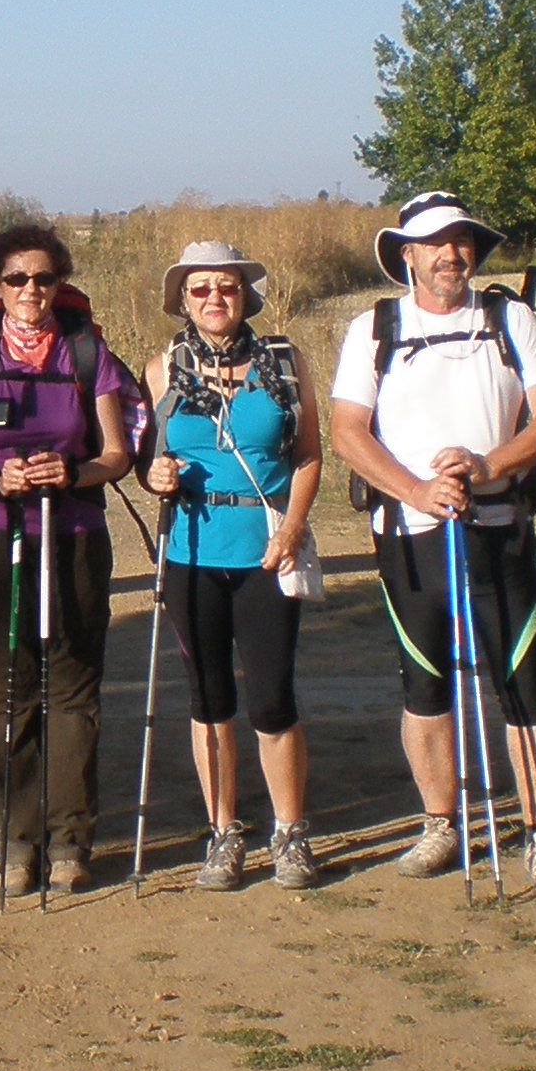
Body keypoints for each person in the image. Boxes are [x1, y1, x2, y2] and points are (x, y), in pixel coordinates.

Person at [327, 190, 536, 894]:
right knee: (424, 684)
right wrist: (414, 490)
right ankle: (440, 824)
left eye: (462, 240)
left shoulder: (511, 318)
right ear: (405, 255)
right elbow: (348, 432)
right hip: (408, 536)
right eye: (434, 242)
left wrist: (489, 465)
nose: (451, 253)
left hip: (499, 529)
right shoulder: (372, 328)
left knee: (527, 683)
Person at [0, 222, 136, 896]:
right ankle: (16, 843)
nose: (31, 291)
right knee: (4, 691)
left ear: (60, 284)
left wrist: (68, 473)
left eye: (44, 278)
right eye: (16, 278)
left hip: (73, 534)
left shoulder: (87, 353)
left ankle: (71, 841)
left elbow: (116, 455)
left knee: (72, 689)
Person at [139, 240, 326, 891]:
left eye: (227, 287)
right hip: (191, 554)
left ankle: (290, 833)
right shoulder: (161, 368)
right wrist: (155, 475)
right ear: (183, 301)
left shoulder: (283, 360)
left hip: (267, 550)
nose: (215, 299)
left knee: (273, 697)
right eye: (200, 290)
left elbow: (308, 456)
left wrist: (295, 525)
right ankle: (223, 832)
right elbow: (149, 459)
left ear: (246, 294)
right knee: (208, 699)